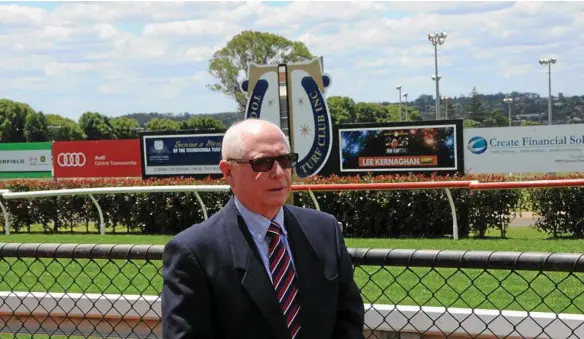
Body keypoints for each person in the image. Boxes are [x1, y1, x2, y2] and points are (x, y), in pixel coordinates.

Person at [161, 118, 365, 339]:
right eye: (262, 163)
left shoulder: (325, 230)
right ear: (228, 172)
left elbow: (349, 321)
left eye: (285, 160)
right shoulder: (195, 252)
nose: (278, 172)